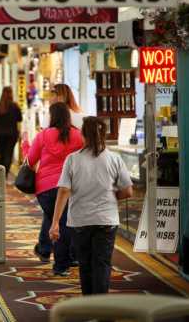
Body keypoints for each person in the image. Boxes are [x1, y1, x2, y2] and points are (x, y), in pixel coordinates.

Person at [49, 117, 133, 294]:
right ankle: (101, 307)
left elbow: (64, 191)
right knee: (102, 263)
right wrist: (111, 196)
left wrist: (55, 223)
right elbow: (128, 192)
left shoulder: (72, 160)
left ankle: (89, 305)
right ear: (104, 134)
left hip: (80, 221)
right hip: (106, 220)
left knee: (85, 264)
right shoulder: (114, 159)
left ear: (83, 135)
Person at [28, 102, 83, 275]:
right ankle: (64, 262)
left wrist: (24, 145)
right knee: (66, 224)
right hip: (70, 187)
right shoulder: (78, 136)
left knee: (56, 221)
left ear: (51, 117)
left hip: (45, 189)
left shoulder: (43, 136)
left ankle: (58, 260)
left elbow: (30, 160)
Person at [0, 86, 22, 177]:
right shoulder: (15, 106)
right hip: (12, 134)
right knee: (9, 153)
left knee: (2, 154)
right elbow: (20, 118)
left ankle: (1, 173)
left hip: (0, 134)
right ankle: (5, 174)